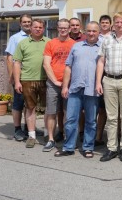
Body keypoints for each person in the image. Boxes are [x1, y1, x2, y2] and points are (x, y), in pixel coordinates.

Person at [96, 12, 122, 162]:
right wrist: (98, 82)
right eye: (117, 22)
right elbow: (101, 61)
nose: (119, 25)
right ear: (114, 24)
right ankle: (111, 148)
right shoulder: (106, 40)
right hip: (109, 80)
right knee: (112, 117)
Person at [55, 22, 102, 158]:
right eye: (89, 31)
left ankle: (88, 147)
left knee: (91, 121)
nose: (91, 33)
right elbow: (68, 67)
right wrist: (65, 86)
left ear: (98, 32)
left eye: (94, 31)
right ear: (85, 32)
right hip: (75, 88)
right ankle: (68, 147)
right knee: (70, 120)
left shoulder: (102, 48)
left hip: (92, 90)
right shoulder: (76, 46)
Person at [13, 19, 51, 148]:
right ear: (31, 28)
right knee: (30, 108)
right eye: (35, 27)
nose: (38, 29)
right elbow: (17, 63)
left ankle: (47, 133)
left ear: (44, 28)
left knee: (48, 109)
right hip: (27, 80)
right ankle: (31, 135)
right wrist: (17, 81)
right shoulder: (23, 43)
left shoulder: (49, 42)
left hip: (46, 80)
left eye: (41, 27)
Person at [42, 19, 75, 152]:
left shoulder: (74, 44)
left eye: (65, 28)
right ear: (57, 28)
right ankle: (51, 139)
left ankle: (68, 138)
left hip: (70, 83)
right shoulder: (51, 43)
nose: (63, 30)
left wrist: (67, 83)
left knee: (69, 113)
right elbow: (46, 64)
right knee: (51, 112)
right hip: (53, 83)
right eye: (60, 27)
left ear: (69, 29)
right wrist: (55, 81)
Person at [6, 14, 32, 141]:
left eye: (29, 22)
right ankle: (17, 129)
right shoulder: (15, 38)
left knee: (30, 103)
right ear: (20, 24)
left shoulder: (34, 36)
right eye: (25, 22)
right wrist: (12, 76)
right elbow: (10, 58)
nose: (27, 24)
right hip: (20, 76)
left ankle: (29, 128)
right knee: (18, 103)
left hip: (32, 76)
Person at [94, 15, 112, 147]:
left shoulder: (114, 37)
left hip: (109, 75)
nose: (104, 24)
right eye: (102, 23)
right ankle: (97, 136)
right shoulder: (95, 37)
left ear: (110, 24)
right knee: (99, 109)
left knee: (109, 110)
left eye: (107, 22)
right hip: (96, 76)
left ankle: (114, 137)